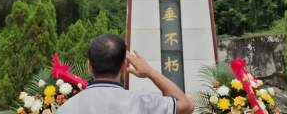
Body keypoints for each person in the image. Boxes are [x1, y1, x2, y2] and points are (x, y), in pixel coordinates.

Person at [58, 34, 194, 114]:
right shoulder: (143, 103)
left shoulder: (66, 109)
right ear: (124, 65)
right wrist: (150, 72)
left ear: (89, 66)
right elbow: (187, 105)